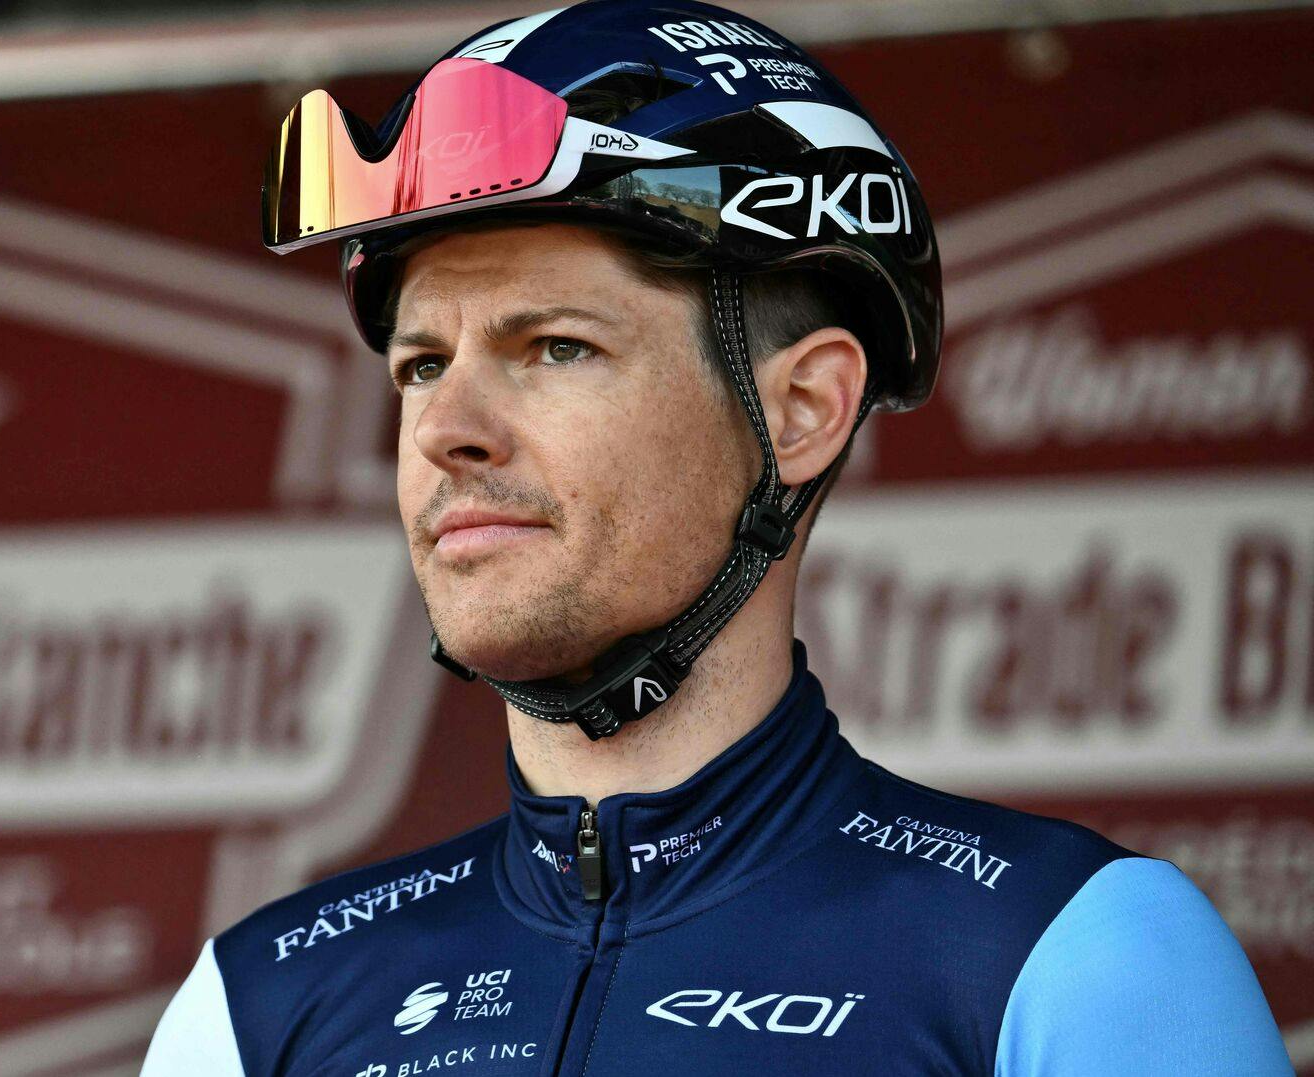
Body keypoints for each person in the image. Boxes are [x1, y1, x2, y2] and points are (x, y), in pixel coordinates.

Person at [142, 1, 1293, 1073]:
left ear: (801, 412)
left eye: (555, 347)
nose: (447, 431)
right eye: (423, 365)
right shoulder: (259, 1006)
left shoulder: (1070, 957)